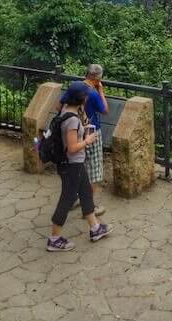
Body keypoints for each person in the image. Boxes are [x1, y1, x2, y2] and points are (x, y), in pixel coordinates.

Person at [48, 81, 111, 251]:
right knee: (67, 200)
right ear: (81, 99)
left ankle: (95, 228)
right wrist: (87, 140)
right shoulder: (72, 120)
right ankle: (54, 238)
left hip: (75, 164)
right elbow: (72, 148)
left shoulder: (67, 111)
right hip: (71, 165)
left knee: (85, 194)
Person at [82, 64, 108, 216]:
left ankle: (76, 198)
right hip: (91, 133)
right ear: (98, 78)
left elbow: (59, 107)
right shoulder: (92, 93)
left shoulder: (75, 86)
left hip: (76, 131)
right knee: (94, 170)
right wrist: (101, 91)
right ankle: (89, 207)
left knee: (79, 168)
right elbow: (105, 110)